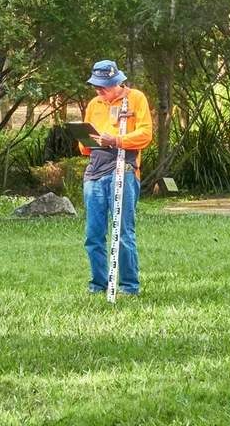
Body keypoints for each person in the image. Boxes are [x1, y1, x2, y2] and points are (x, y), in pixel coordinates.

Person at [78, 60, 152, 295]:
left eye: (105, 86)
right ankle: (98, 285)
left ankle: (129, 286)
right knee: (93, 234)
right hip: (94, 171)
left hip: (123, 169)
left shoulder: (136, 98)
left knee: (123, 232)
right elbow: (85, 147)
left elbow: (145, 134)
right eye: (97, 86)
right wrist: (86, 140)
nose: (100, 90)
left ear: (118, 82)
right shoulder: (93, 104)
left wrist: (116, 140)